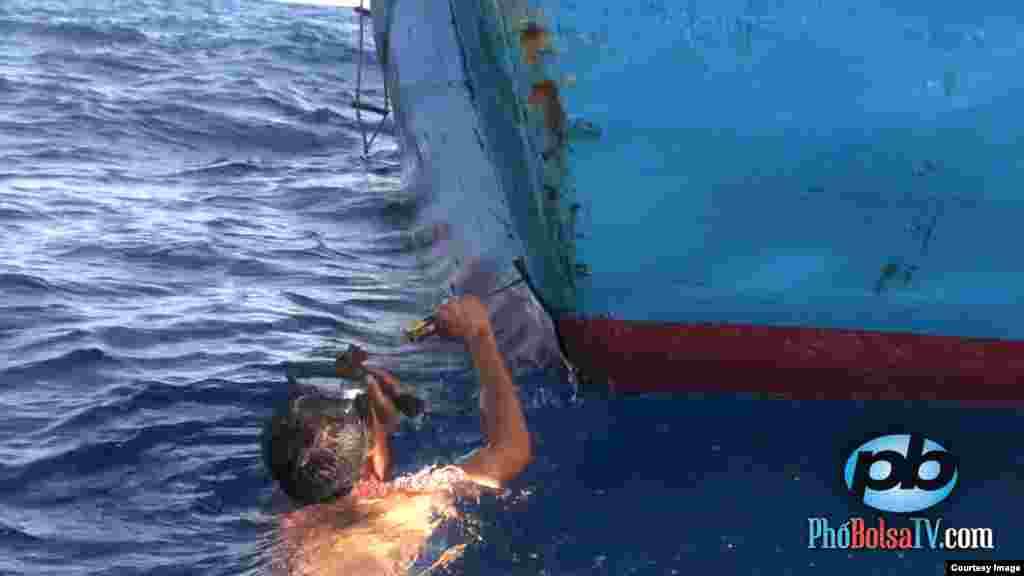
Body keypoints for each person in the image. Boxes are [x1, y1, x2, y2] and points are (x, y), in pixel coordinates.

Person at [264, 295, 532, 575]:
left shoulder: (289, 528)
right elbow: (511, 450)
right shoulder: (405, 506)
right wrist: (481, 336)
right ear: (371, 459)